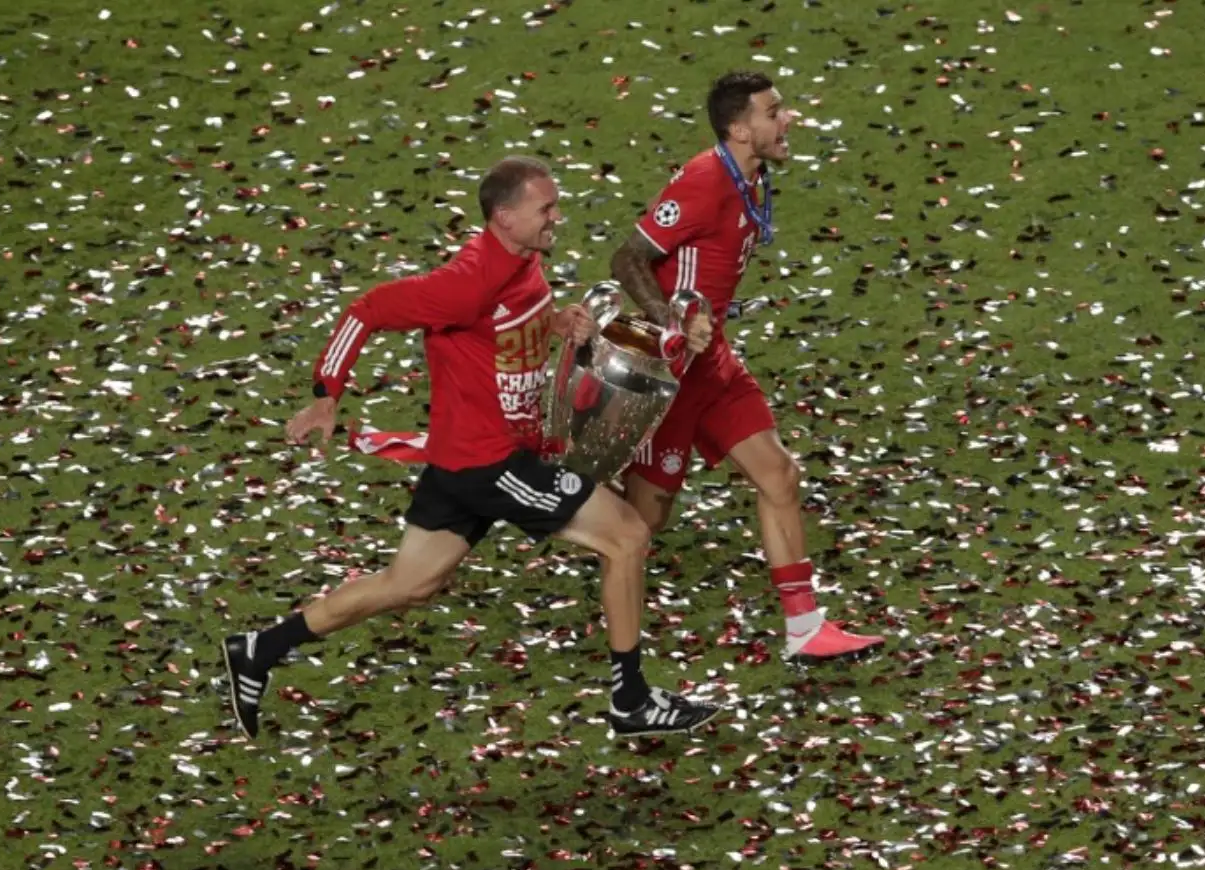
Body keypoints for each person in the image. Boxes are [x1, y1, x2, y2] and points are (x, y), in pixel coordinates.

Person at [221, 156, 719, 740]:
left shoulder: (525, 261)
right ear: (504, 218)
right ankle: (631, 700)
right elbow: (367, 311)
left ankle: (257, 649)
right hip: (492, 464)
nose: (557, 216)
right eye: (546, 209)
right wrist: (326, 396)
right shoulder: (465, 284)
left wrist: (557, 323)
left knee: (408, 584)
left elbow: (507, 326)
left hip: (464, 463)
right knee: (629, 536)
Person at [610, 71, 885, 663]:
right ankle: (540, 496)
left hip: (715, 362)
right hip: (672, 372)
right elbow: (627, 257)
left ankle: (805, 628)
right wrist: (671, 320)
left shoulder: (752, 180)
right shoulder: (705, 181)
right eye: (773, 112)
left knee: (780, 476)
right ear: (740, 128)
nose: (787, 120)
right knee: (641, 522)